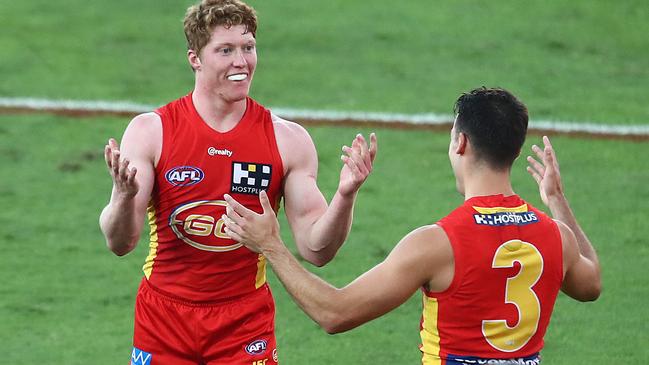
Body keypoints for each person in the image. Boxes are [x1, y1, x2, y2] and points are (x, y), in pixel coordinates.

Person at [222, 87, 601, 364]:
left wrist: (271, 245)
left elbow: (334, 313)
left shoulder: (437, 244)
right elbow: (591, 285)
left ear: (461, 144)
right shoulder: (556, 235)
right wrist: (556, 200)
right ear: (517, 151)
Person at [99, 1, 377, 364]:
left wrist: (345, 195)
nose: (241, 62)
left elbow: (316, 249)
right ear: (195, 58)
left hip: (244, 323)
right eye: (225, 50)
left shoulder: (285, 140)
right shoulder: (152, 132)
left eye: (248, 48)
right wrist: (123, 196)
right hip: (163, 319)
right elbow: (121, 242)